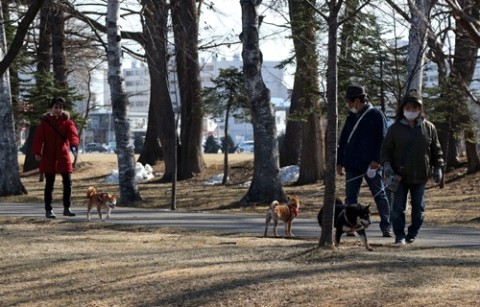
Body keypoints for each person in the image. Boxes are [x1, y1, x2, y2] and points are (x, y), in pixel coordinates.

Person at [381, 90, 444, 245]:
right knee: (397, 209)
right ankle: (399, 236)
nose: (410, 111)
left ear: (420, 109)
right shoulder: (394, 129)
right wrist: (387, 166)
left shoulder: (429, 128)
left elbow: (437, 151)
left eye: (414, 108)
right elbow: (385, 151)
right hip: (399, 176)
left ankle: (412, 233)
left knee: (419, 209)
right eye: (408, 108)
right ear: (403, 109)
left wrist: (438, 167)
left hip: (421, 175)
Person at [337, 85, 393, 237]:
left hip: (371, 165)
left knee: (379, 195)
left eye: (349, 101)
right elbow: (343, 141)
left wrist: (377, 160)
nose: (348, 105)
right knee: (350, 198)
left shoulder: (376, 114)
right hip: (352, 163)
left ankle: (386, 226)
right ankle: (350, 226)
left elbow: (383, 139)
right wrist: (340, 162)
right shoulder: (350, 117)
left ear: (356, 101)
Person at [32, 97, 80, 218]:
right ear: (51, 108)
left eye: (61, 107)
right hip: (48, 156)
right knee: (49, 184)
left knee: (68, 182)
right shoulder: (45, 122)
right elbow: (38, 139)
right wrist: (37, 152)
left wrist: (74, 145)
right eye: (56, 107)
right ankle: (49, 209)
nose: (58, 110)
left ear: (63, 109)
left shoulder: (68, 121)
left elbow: (73, 134)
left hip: (63, 156)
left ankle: (67, 208)